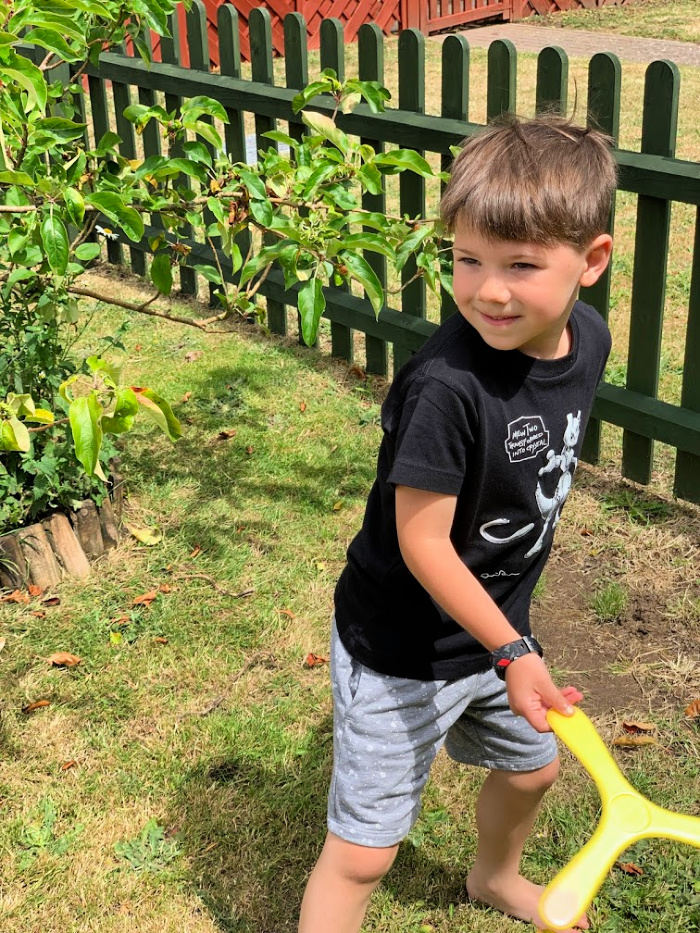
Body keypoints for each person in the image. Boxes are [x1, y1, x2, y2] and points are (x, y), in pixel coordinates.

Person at [298, 114, 617, 933]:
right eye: (467, 259)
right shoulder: (446, 386)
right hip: (401, 645)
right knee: (365, 850)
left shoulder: (589, 340)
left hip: (496, 634)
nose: (488, 289)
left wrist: (507, 643)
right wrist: (511, 648)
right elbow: (422, 542)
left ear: (591, 262)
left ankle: (494, 876)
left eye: (520, 264)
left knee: (534, 770)